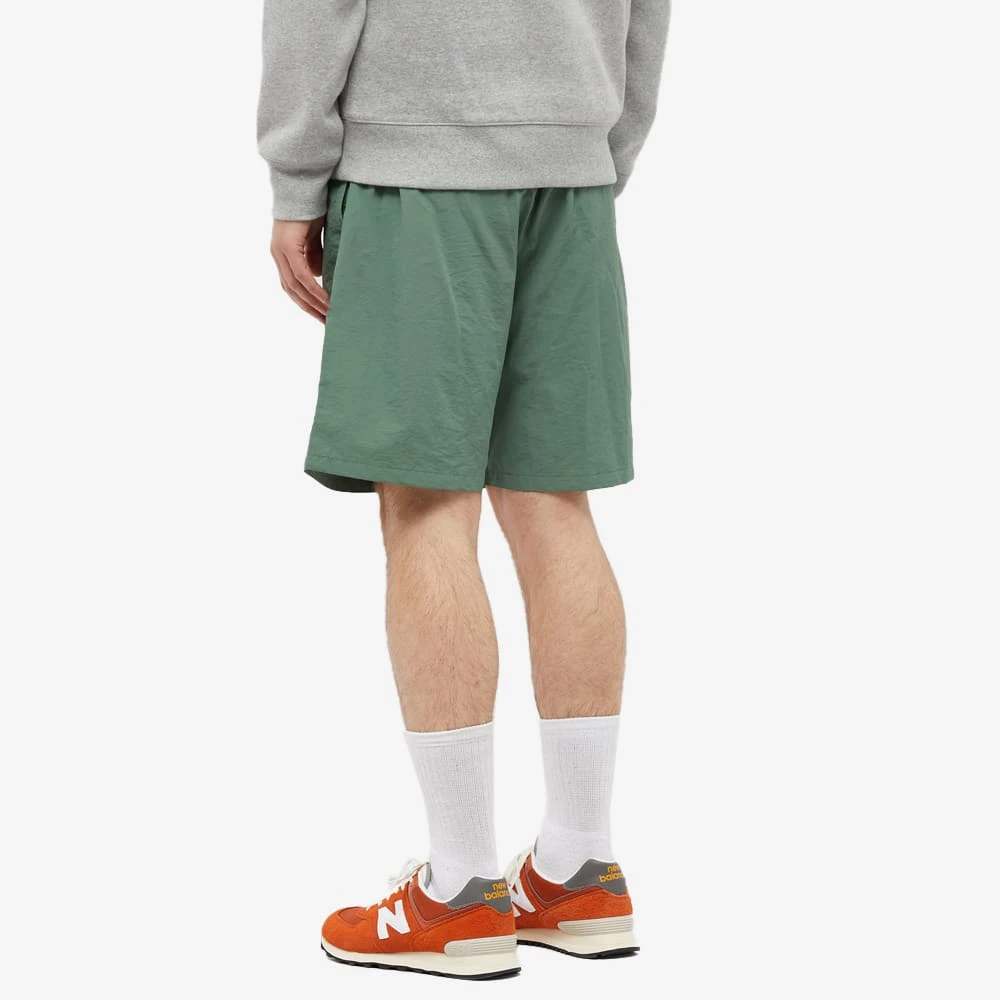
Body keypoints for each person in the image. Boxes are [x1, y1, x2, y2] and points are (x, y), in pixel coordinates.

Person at [258, 0, 670, 981]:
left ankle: (459, 891)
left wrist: (295, 174)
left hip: (420, 161)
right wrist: (597, 143)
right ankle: (578, 869)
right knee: (554, 504)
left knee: (426, 509)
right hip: (569, 164)